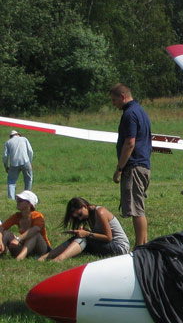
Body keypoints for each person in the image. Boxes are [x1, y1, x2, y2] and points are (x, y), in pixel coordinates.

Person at [110, 83, 151, 246]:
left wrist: (119, 168)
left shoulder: (129, 114)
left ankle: (140, 246)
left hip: (134, 166)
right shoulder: (140, 111)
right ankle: (143, 243)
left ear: (122, 97)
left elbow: (130, 143)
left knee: (136, 209)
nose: (113, 104)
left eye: (114, 100)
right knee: (137, 207)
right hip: (143, 164)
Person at [43, 196, 130, 262]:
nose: (80, 219)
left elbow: (108, 237)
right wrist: (87, 232)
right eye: (77, 217)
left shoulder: (100, 212)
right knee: (77, 238)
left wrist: (87, 234)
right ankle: (46, 257)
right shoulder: (89, 215)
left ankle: (59, 259)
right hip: (110, 245)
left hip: (120, 248)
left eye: (80, 215)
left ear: (84, 206)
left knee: (84, 239)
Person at [2, 190, 50, 260]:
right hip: (24, 246)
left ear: (30, 204)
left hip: (41, 249)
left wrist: (18, 239)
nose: (18, 201)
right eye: (17, 199)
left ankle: (19, 258)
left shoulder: (37, 216)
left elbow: (36, 229)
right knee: (5, 234)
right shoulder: (16, 216)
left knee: (35, 234)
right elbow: (1, 228)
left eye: (21, 200)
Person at [4, 129, 33, 201]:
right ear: (18, 134)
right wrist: (30, 161)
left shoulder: (8, 142)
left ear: (11, 136)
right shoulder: (24, 139)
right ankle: (27, 197)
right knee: (28, 179)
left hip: (14, 163)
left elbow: (5, 156)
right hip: (25, 161)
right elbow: (30, 151)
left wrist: (6, 166)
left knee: (11, 181)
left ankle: (11, 198)